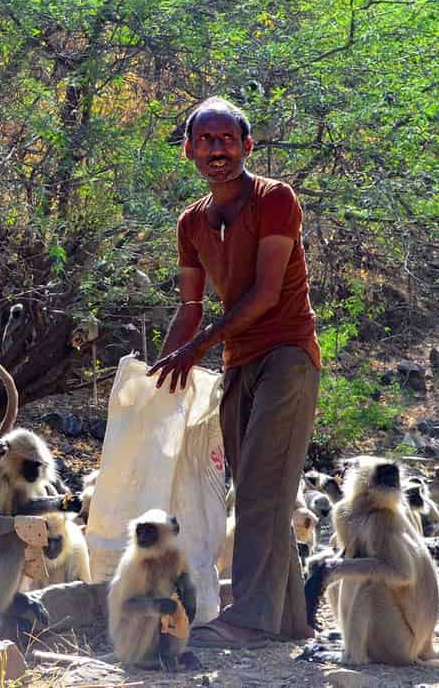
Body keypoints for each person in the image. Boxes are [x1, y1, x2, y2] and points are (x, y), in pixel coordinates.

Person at [148, 97, 321, 648]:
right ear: (189, 150)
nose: (217, 150)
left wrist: (197, 347)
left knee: (263, 492)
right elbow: (190, 307)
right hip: (237, 360)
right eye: (206, 141)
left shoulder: (274, 199)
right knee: (251, 486)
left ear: (247, 147)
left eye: (228, 140)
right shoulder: (192, 221)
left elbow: (267, 294)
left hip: (288, 354)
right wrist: (161, 375)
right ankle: (288, 621)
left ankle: (247, 618)